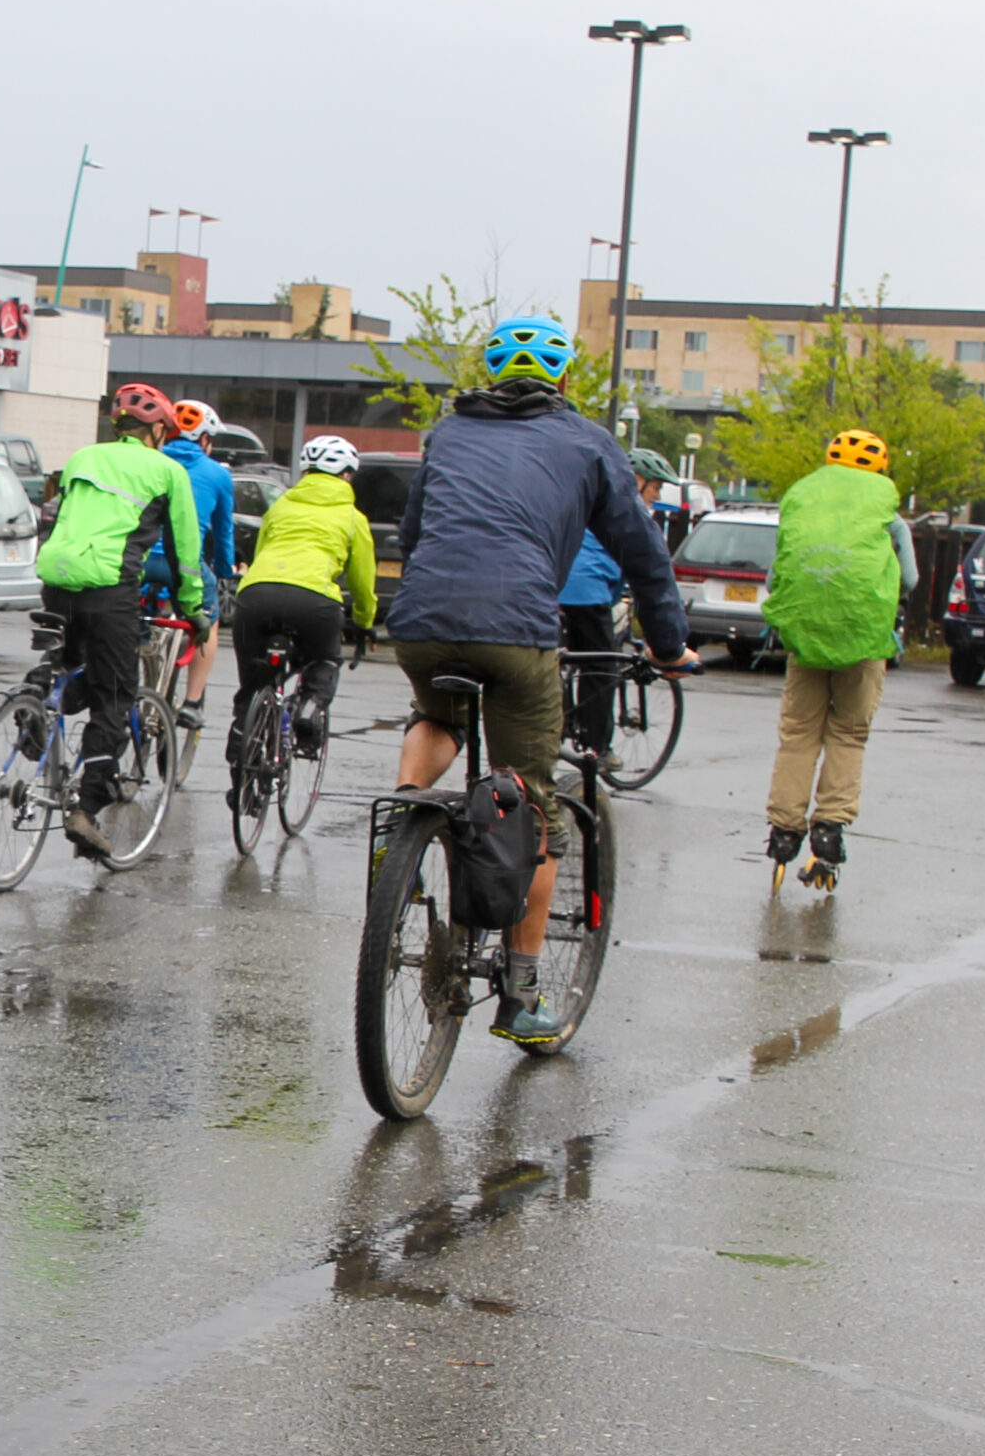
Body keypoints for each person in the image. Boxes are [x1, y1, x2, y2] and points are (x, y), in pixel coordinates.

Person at [387, 316, 696, 1042]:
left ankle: (401, 826)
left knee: (437, 720)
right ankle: (521, 998)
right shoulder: (589, 441)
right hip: (516, 628)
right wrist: (670, 645)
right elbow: (644, 554)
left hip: (423, 620)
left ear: (493, 374)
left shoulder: (450, 432)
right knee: (534, 811)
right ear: (561, 379)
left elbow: (413, 529)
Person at [33, 382, 207, 860]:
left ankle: (34, 698)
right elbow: (185, 557)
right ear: (156, 429)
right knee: (115, 694)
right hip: (109, 588)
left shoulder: (83, 458)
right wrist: (195, 610)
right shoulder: (168, 471)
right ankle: (86, 811)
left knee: (68, 662)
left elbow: (62, 519)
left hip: (55, 577)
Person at [760, 428, 908, 883]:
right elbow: (914, 580)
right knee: (847, 733)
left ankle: (785, 829)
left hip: (806, 639)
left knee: (799, 733)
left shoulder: (804, 502)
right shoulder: (890, 518)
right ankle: (829, 825)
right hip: (864, 642)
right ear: (880, 470)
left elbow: (775, 576)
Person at [226, 434, 376, 795]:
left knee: (252, 690)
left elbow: (262, 552)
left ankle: (240, 776)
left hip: (256, 595)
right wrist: (365, 621)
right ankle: (309, 707)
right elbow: (362, 580)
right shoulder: (353, 518)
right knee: (323, 661)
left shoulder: (280, 507)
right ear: (347, 476)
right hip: (314, 601)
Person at [158, 399, 236, 729]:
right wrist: (225, 572)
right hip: (183, 564)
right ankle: (191, 702)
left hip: (138, 559)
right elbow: (223, 531)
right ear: (204, 439)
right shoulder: (216, 474)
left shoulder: (151, 461)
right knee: (210, 618)